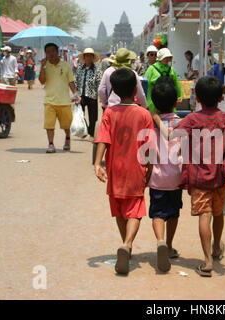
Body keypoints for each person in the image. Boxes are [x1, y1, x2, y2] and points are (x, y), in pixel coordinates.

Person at [152, 76, 225, 278]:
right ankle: (217, 247)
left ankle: (207, 261)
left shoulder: (192, 119)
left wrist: (156, 119)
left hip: (198, 176)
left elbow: (170, 136)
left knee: (204, 215)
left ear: (197, 98)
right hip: (220, 174)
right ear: (220, 98)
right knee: (218, 214)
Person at [94, 68, 154, 275]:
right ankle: (127, 244)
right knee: (135, 208)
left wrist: (97, 163)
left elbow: (103, 138)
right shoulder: (144, 114)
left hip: (115, 168)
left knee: (119, 208)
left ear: (115, 92)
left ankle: (124, 246)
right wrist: (151, 168)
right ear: (136, 89)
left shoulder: (110, 113)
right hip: (136, 167)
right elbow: (150, 146)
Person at [148, 77, 183, 273]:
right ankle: (169, 245)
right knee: (173, 213)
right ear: (175, 100)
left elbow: (149, 154)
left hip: (157, 179)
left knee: (158, 214)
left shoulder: (151, 125)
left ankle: (160, 241)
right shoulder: (182, 124)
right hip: (176, 179)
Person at [39, 43, 81, 154]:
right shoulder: (45, 65)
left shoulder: (65, 65)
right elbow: (42, 81)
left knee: (66, 125)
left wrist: (76, 95)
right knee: (49, 125)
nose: (51, 54)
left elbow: (71, 81)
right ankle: (51, 144)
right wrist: (43, 67)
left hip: (64, 101)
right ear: (46, 53)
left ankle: (67, 139)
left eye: (53, 51)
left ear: (57, 52)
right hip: (49, 101)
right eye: (48, 52)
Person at [75, 48, 102, 140]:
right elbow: (76, 81)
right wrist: (75, 95)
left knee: (93, 116)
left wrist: (100, 95)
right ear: (84, 57)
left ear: (92, 57)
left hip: (92, 95)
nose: (88, 57)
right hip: (80, 95)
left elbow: (99, 83)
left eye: (90, 55)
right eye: (86, 55)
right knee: (80, 114)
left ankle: (91, 133)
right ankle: (85, 129)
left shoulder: (97, 70)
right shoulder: (79, 68)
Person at [145, 48, 182, 112]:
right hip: (154, 102)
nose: (168, 59)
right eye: (165, 57)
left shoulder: (171, 69)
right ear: (160, 58)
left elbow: (176, 84)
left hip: (169, 101)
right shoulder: (151, 69)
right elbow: (145, 84)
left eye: (169, 57)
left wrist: (179, 96)